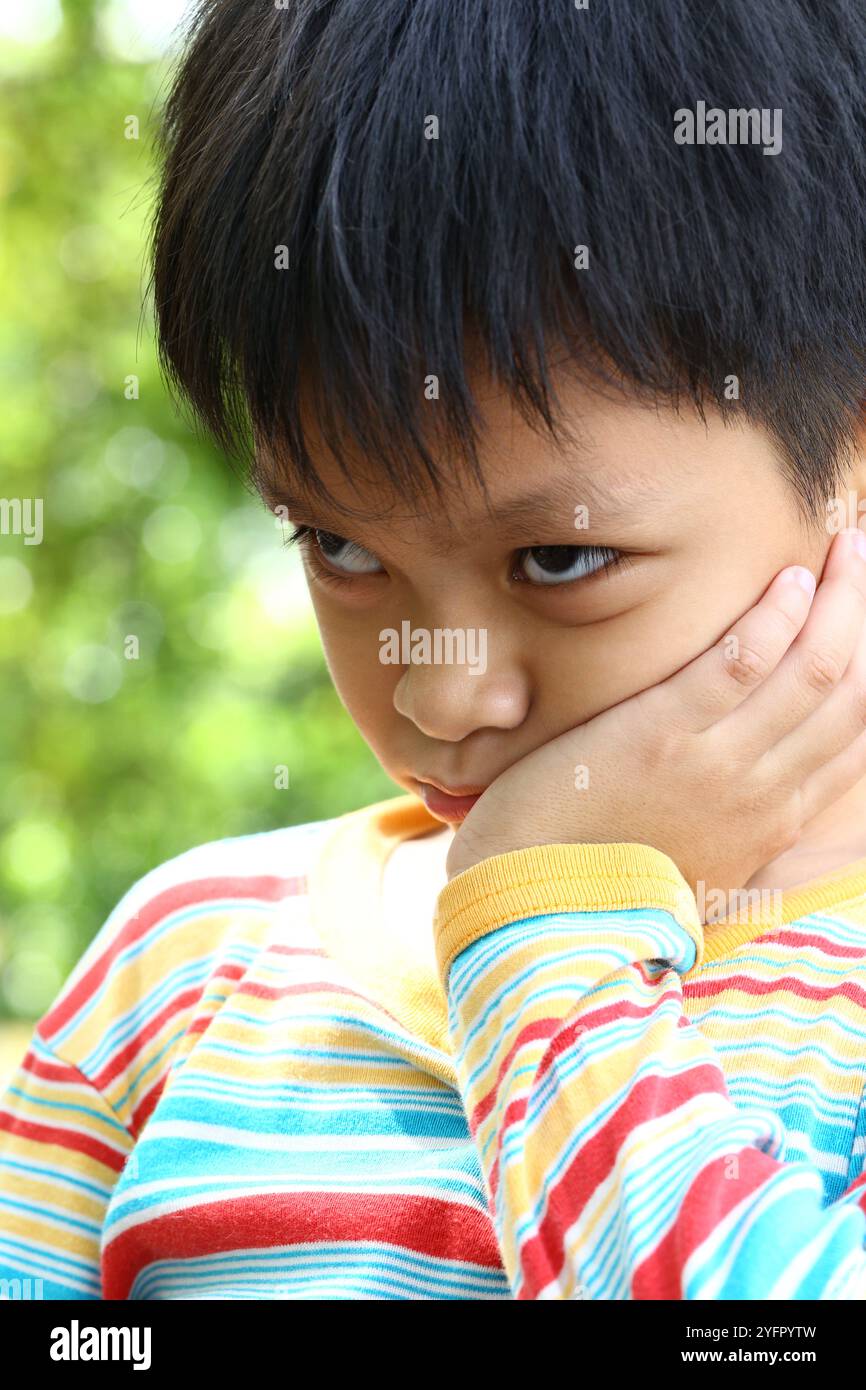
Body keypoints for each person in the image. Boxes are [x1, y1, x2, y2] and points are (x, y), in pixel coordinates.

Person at [3, 0, 866, 1300]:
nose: (437, 693)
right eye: (341, 549)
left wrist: (543, 933)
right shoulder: (177, 971)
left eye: (560, 560)